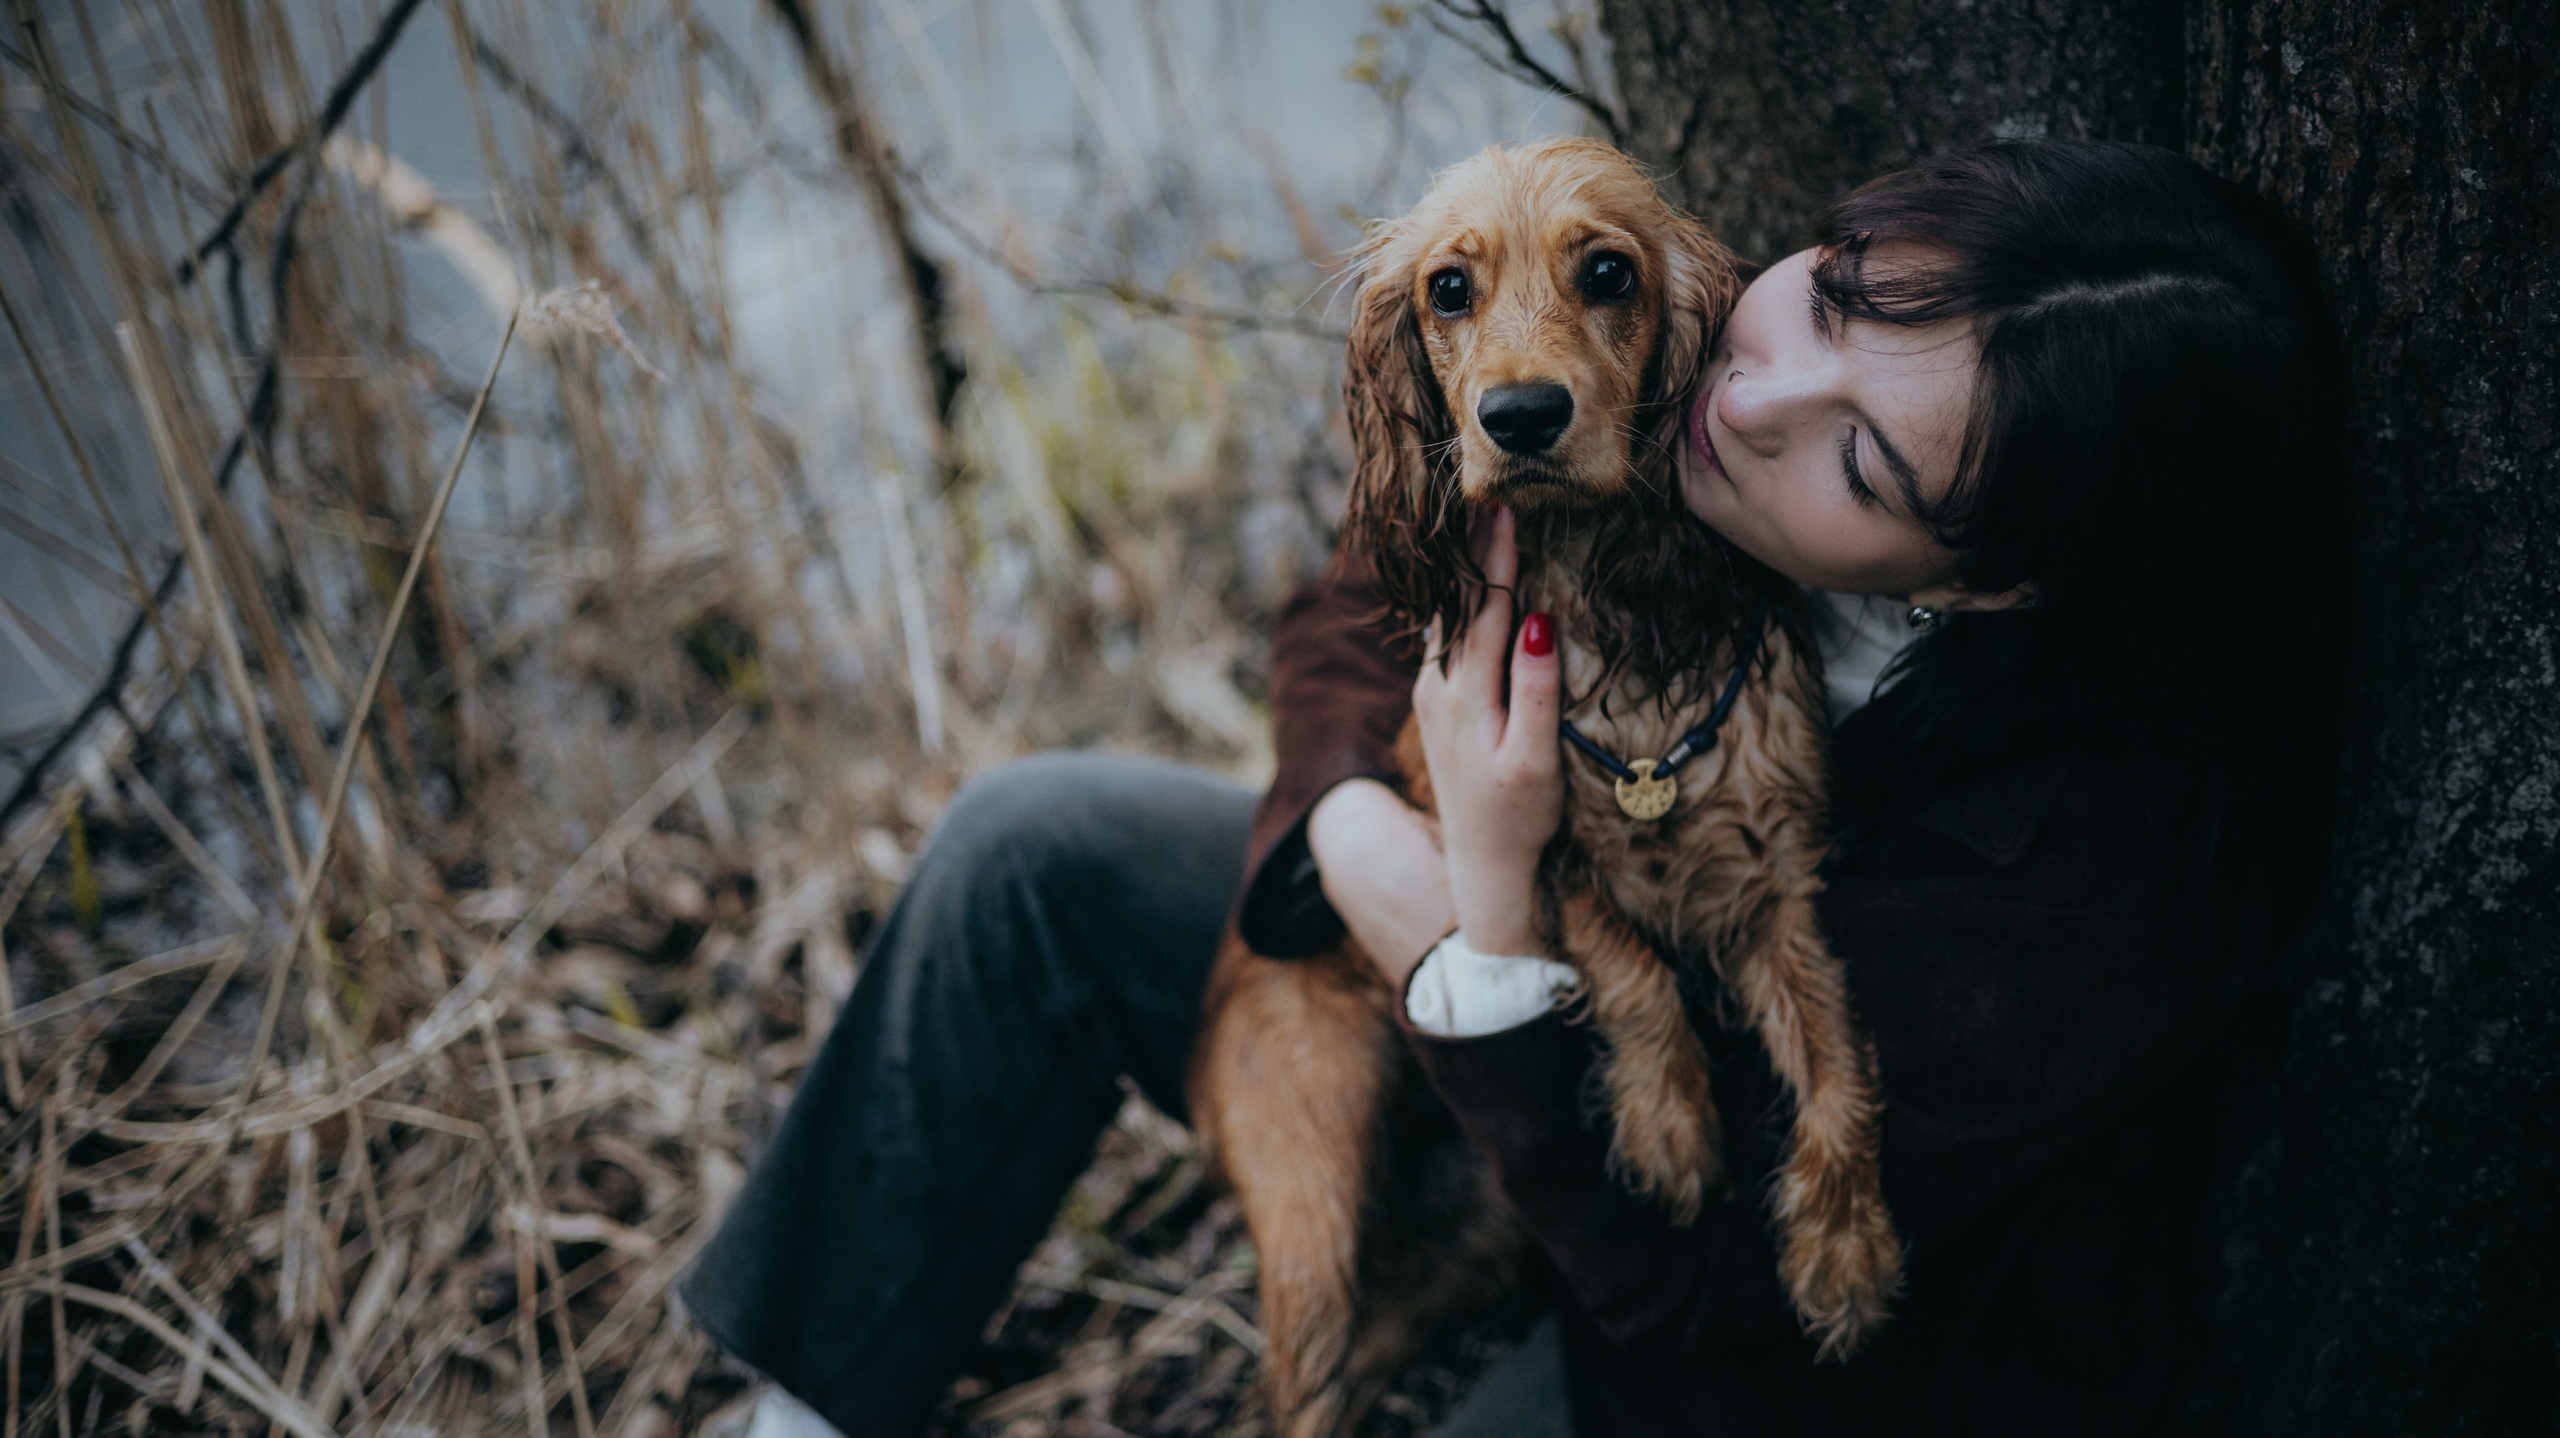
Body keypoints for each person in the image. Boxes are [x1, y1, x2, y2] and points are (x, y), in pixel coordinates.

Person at [680, 140, 2353, 1438]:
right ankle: (806, 1404)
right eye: (1827, 300)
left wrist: (1473, 930)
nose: (1758, 397)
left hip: (1699, 1346)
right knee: (1028, 843)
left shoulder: (2115, 880)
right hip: (1467, 972)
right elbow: (1370, 575)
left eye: (1863, 460)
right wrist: (1351, 825)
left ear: (1999, 585)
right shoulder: (1676, 338)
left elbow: (1722, 1281)